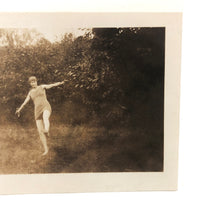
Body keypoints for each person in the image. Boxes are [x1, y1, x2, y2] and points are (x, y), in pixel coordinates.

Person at [15, 76, 65, 156]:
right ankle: (46, 150)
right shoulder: (30, 92)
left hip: (45, 106)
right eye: (31, 82)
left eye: (34, 81)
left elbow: (51, 85)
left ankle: (47, 130)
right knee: (40, 132)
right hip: (37, 110)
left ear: (36, 81)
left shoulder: (42, 87)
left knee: (45, 117)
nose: (33, 83)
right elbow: (25, 102)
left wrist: (60, 83)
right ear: (30, 84)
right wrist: (19, 109)